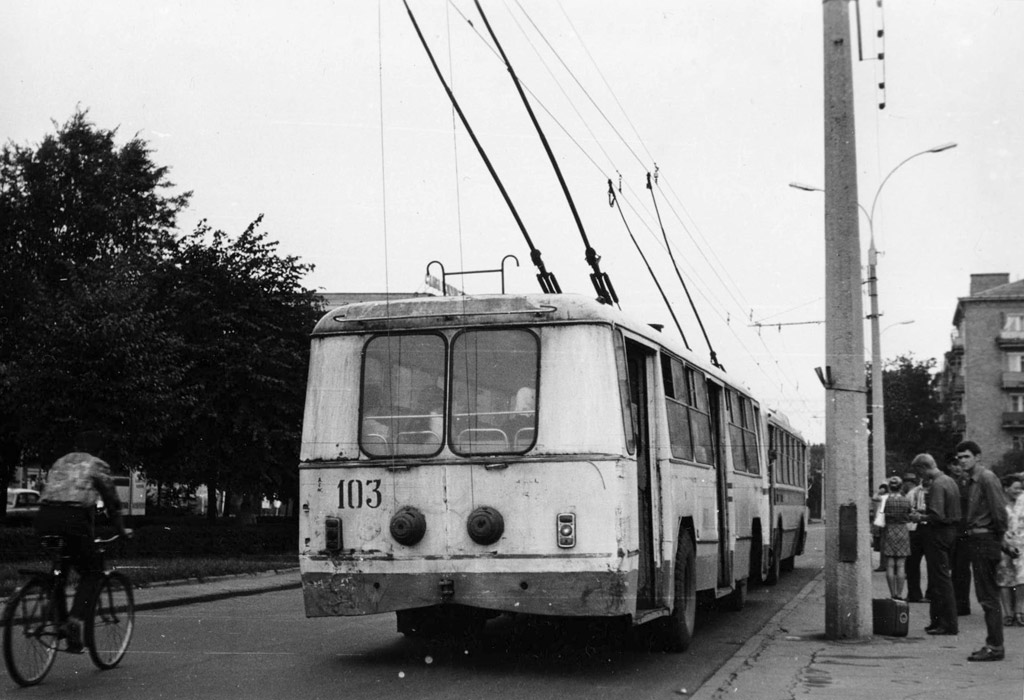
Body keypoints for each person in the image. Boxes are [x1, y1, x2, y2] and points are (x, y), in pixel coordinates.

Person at [34, 449, 130, 653]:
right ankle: (74, 621)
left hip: (44, 517)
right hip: (73, 519)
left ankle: (57, 614)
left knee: (62, 564)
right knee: (92, 572)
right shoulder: (97, 464)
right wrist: (121, 529)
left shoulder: (62, 460)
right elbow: (112, 501)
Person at [956, 440, 1009, 662]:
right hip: (978, 539)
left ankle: (995, 646)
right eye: (959, 458)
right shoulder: (970, 480)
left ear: (977, 457)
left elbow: (999, 512)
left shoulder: (986, 478)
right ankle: (994, 643)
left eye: (966, 456)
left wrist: (998, 540)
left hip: (985, 539)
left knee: (988, 597)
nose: (962, 461)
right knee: (985, 595)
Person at [909, 453, 961, 636]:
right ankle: (937, 621)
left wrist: (920, 517)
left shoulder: (937, 485)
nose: (919, 477)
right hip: (950, 533)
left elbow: (937, 515)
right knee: (940, 577)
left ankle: (948, 624)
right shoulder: (949, 481)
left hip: (938, 534)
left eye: (918, 472)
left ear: (923, 468)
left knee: (940, 580)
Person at [996, 474, 1024, 626]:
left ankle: (1020, 610)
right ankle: (1008, 613)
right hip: (1004, 544)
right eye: (1015, 488)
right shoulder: (1000, 504)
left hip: (1022, 544)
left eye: (1020, 488)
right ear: (1006, 489)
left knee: (1022, 578)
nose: (1018, 491)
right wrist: (1005, 542)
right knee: (1005, 579)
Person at [948, 454, 974, 616]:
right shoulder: (949, 481)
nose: (958, 467)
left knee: (962, 569)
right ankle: (955, 602)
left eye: (959, 464)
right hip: (952, 530)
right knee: (953, 569)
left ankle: (963, 604)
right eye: (954, 464)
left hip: (965, 531)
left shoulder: (968, 482)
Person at [881, 476, 912, 599]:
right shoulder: (906, 500)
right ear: (901, 486)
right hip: (903, 531)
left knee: (889, 564)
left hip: (889, 530)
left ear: (889, 487)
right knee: (900, 564)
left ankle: (892, 593)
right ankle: (899, 593)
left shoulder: (885, 500)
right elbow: (910, 515)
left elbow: (880, 517)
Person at [903, 472, 929, 603]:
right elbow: (907, 509)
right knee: (912, 563)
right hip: (915, 529)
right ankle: (914, 594)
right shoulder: (913, 492)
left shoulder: (936, 490)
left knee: (933, 563)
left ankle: (931, 593)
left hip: (931, 529)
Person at [871, 484, 889, 572]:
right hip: (886, 523)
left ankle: (883, 565)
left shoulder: (884, 497)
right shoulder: (888, 497)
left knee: (883, 545)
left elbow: (874, 497)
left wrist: (878, 491)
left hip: (883, 523)